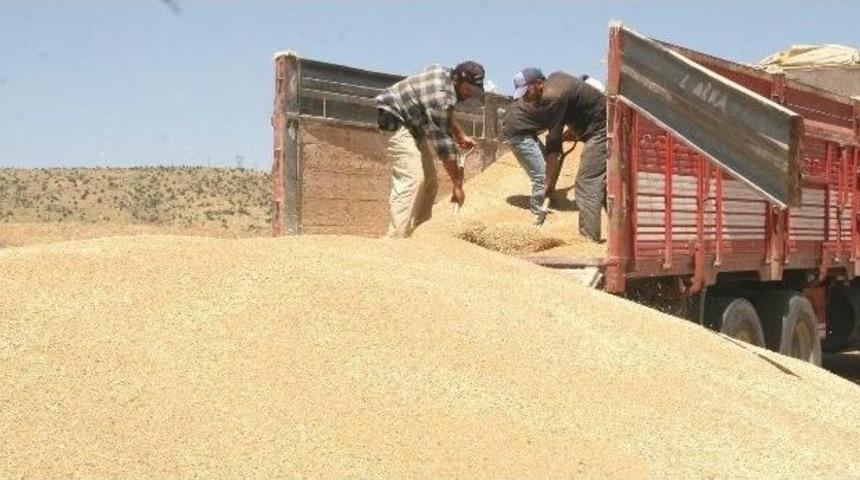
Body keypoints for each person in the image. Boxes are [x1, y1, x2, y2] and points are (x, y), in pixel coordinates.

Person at [375, 61, 485, 238]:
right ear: (457, 79)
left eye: (474, 90)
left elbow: (443, 113)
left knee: (429, 182)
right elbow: (444, 148)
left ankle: (420, 236)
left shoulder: (445, 76)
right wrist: (457, 185)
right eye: (468, 88)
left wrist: (459, 134)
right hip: (394, 119)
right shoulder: (440, 96)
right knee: (413, 178)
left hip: (413, 124)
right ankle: (395, 240)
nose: (470, 94)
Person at [505, 67, 607, 242]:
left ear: (539, 84)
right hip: (598, 125)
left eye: (526, 92)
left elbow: (553, 146)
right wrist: (575, 130)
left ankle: (589, 240)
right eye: (521, 94)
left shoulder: (552, 97)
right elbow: (578, 106)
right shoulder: (555, 82)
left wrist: (548, 183)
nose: (525, 98)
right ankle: (622, 236)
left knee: (587, 182)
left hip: (602, 130)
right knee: (603, 185)